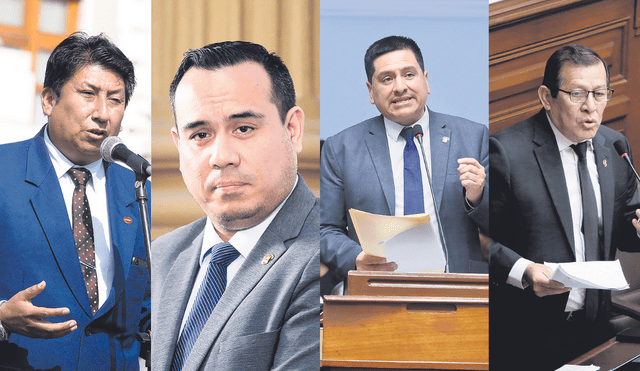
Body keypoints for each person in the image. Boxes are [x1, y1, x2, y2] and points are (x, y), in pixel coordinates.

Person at [150, 41, 319, 371]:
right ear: (179, 146)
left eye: (243, 128)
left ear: (293, 130)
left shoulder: (322, 259)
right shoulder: (161, 255)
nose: (221, 157)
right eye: (200, 135)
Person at [0, 32, 150, 370]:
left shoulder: (137, 190)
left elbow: (147, 305)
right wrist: (1, 318)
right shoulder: (4, 173)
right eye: (88, 94)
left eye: (116, 99)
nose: (102, 113)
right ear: (49, 100)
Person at [489, 44, 640, 370]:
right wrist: (525, 272)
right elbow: (476, 239)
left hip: (596, 329)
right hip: (527, 337)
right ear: (546, 97)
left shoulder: (614, 147)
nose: (591, 107)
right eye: (577, 94)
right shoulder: (506, 152)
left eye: (600, 94)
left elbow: (626, 226)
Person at [321, 35, 488, 286]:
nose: (400, 87)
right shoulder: (341, 147)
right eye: (387, 79)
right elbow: (324, 229)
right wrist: (357, 258)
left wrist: (478, 196)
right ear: (371, 91)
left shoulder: (473, 137)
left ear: (426, 81)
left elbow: (505, 224)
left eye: (409, 75)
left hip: (457, 287)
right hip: (377, 288)